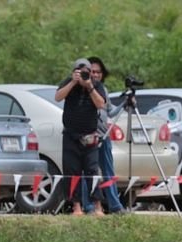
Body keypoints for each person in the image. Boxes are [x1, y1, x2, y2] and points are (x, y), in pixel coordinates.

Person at [55, 58, 107, 216]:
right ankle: (76, 207)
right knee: (72, 172)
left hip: (90, 136)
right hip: (71, 135)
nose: (84, 74)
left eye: (87, 71)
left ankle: (98, 206)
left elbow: (101, 104)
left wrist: (89, 86)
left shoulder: (96, 85)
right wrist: (72, 82)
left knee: (92, 171)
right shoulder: (68, 82)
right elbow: (58, 97)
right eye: (80, 70)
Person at [79, 56, 128, 214]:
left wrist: (125, 103)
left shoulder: (103, 89)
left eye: (99, 72)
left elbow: (110, 111)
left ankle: (115, 206)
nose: (95, 75)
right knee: (88, 173)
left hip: (103, 135)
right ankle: (89, 206)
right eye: (92, 71)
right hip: (88, 136)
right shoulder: (82, 89)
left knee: (108, 171)